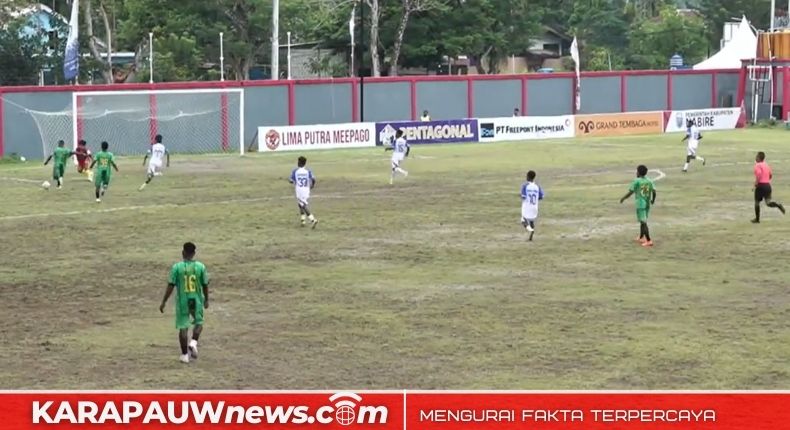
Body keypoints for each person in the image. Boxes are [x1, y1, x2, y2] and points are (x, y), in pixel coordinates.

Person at [159, 242, 210, 364]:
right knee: (199, 323)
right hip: (196, 300)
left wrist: (164, 301)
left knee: (183, 327)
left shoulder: (177, 267)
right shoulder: (201, 267)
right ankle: (193, 343)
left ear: (183, 253)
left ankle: (184, 355)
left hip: (183, 300)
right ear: (194, 253)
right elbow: (205, 285)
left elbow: (171, 285)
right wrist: (207, 299)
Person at [620, 165, 657, 247]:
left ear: (639, 173)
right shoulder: (649, 180)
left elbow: (631, 192)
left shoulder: (636, 181)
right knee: (642, 220)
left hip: (640, 204)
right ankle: (641, 237)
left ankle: (648, 240)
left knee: (643, 222)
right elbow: (654, 191)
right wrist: (653, 200)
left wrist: (623, 198)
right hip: (647, 203)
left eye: (637, 171)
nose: (636, 172)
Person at [752, 151, 785, 223]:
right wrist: (766, 180)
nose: (755, 157)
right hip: (767, 185)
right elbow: (770, 175)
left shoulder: (757, 165)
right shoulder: (766, 165)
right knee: (768, 203)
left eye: (756, 156)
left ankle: (757, 219)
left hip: (760, 186)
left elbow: (759, 174)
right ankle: (778, 205)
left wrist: (756, 184)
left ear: (759, 158)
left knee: (757, 202)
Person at [289, 156, 318, 228]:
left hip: (299, 191)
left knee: (303, 205)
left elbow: (290, 180)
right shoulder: (308, 171)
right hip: (306, 190)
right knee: (300, 204)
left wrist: (292, 181)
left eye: (298, 161)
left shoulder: (295, 171)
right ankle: (303, 220)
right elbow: (313, 179)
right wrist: (312, 185)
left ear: (299, 163)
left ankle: (313, 220)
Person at [520, 170, 544, 241]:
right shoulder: (537, 186)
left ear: (527, 177)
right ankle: (531, 237)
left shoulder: (525, 186)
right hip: (534, 207)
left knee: (523, 220)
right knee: (531, 221)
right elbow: (541, 197)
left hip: (527, 207)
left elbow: (523, 196)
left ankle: (530, 230)